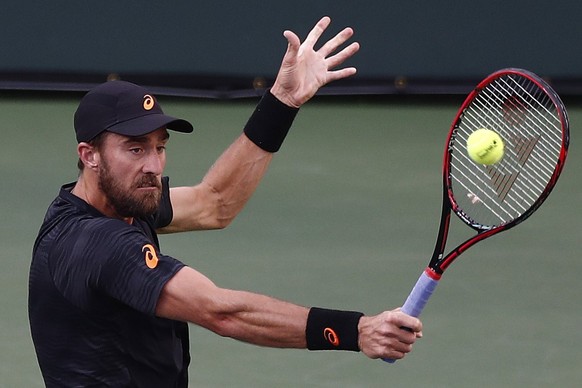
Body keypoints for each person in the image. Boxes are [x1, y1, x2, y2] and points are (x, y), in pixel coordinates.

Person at [28, 16, 422, 387]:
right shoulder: (97, 243)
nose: (153, 165)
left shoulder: (121, 200)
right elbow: (221, 311)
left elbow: (215, 202)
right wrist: (356, 330)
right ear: (89, 154)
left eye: (159, 148)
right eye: (135, 150)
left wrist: (282, 101)